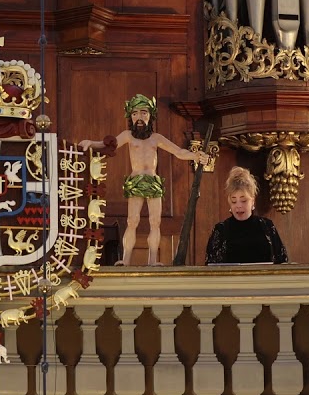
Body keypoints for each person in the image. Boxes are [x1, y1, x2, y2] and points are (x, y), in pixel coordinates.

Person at [78, 94, 211, 266]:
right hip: (135, 181)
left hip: (153, 182)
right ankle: (125, 259)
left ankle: (152, 260)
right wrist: (91, 142)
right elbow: (109, 145)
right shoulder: (128, 135)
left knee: (155, 222)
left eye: (143, 113)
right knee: (132, 221)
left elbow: (178, 152)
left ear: (151, 116)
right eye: (135, 114)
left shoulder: (156, 138)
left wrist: (195, 156)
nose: (139, 117)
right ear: (130, 117)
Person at [206, 166, 289, 264]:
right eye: (234, 201)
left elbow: (282, 262)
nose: (238, 206)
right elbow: (211, 268)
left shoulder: (267, 226)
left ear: (252, 201)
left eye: (243, 200)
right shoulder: (220, 230)